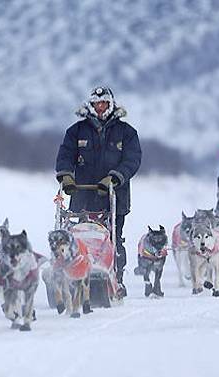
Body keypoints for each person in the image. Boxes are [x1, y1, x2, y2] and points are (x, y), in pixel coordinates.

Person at [55, 86, 142, 298]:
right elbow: (65, 155)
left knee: (113, 239)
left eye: (104, 104)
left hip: (115, 196)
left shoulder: (127, 133)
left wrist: (114, 177)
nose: (100, 108)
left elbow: (132, 161)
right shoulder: (76, 131)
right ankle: (73, 275)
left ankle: (116, 279)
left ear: (111, 105)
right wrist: (66, 176)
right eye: (96, 104)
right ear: (91, 106)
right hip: (82, 193)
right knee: (79, 238)